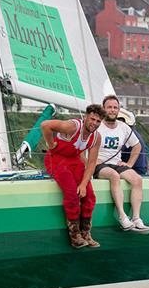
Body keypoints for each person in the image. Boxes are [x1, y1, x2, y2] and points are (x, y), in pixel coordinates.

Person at [41, 105, 105, 248]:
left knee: (89, 195)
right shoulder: (73, 126)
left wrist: (83, 184)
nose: (94, 123)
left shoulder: (96, 137)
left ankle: (86, 233)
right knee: (71, 194)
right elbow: (45, 125)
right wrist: (51, 144)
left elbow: (92, 162)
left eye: (98, 121)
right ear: (86, 117)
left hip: (75, 160)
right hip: (56, 159)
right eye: (92, 119)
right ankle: (75, 236)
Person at [93, 95, 149, 233]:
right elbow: (84, 144)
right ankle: (122, 216)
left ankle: (136, 218)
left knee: (137, 179)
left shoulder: (123, 127)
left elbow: (137, 146)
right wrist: (92, 159)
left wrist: (130, 163)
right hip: (99, 164)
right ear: (103, 109)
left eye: (115, 107)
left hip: (116, 163)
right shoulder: (97, 125)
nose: (112, 110)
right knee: (114, 176)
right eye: (109, 107)